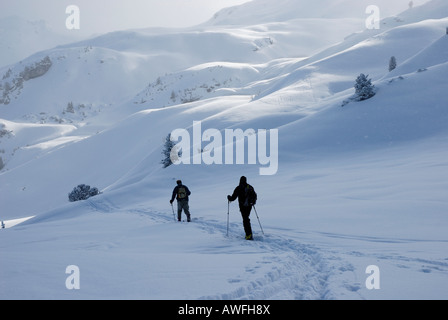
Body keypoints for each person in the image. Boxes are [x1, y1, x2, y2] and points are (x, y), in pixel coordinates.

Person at [227, 176, 257, 240]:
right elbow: (255, 195)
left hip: (242, 206)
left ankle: (249, 235)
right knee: (246, 218)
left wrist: (229, 197)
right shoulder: (250, 187)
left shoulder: (238, 188)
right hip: (249, 206)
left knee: (245, 219)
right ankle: (249, 234)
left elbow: (233, 198)